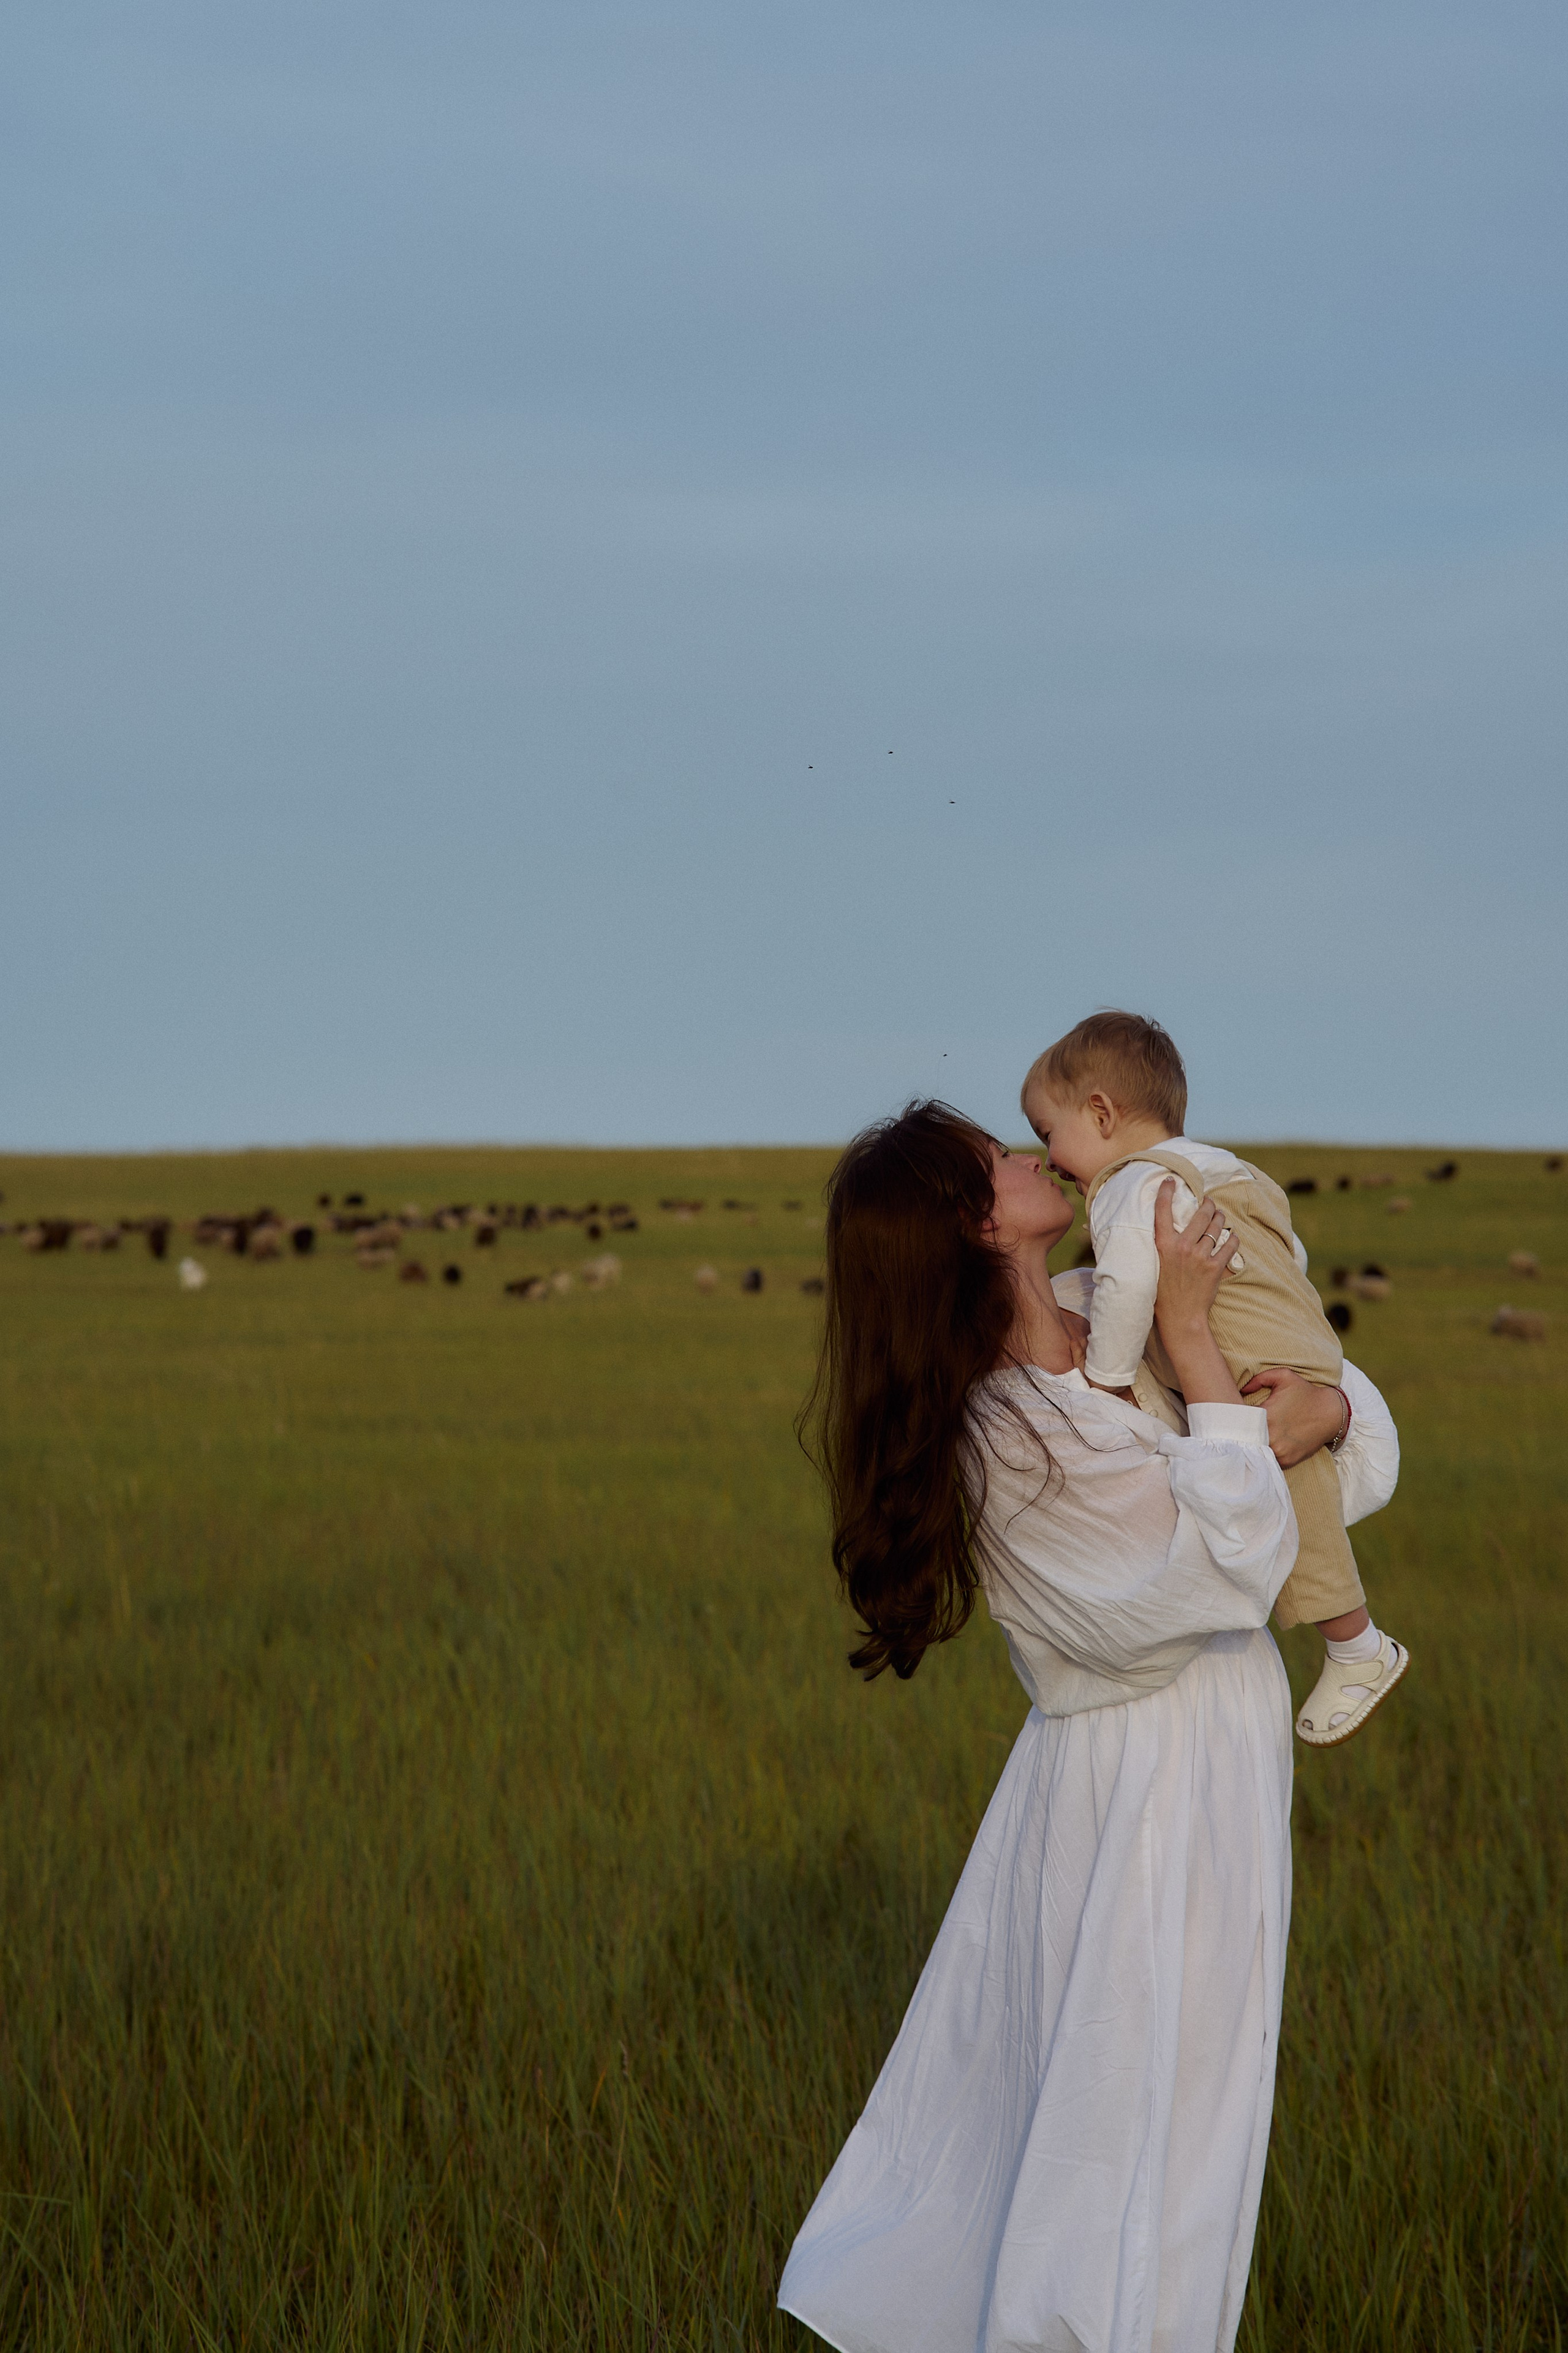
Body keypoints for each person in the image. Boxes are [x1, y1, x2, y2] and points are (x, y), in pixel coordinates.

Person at [778, 1102, 1398, 2353]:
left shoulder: (1108, 1300)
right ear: (968, 1222)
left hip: (1221, 1752)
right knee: (1120, 2104)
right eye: (994, 1160)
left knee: (1189, 2094)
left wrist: (1322, 1412)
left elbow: (1358, 1448)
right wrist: (1202, 1351)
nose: (1032, 1155)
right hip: (1135, 1774)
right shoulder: (999, 1432)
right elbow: (1218, 1579)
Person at [1020, 1009, 1407, 1747]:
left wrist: (1106, 1375)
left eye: (1047, 1133)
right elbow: (1287, 1250)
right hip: (1292, 1325)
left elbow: (1129, 1285)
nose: (1048, 1158)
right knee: (1287, 1469)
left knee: (1279, 1480)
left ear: (1100, 1113)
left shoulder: (1129, 1186)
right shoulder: (1228, 1167)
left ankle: (1357, 1645)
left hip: (1247, 1346)